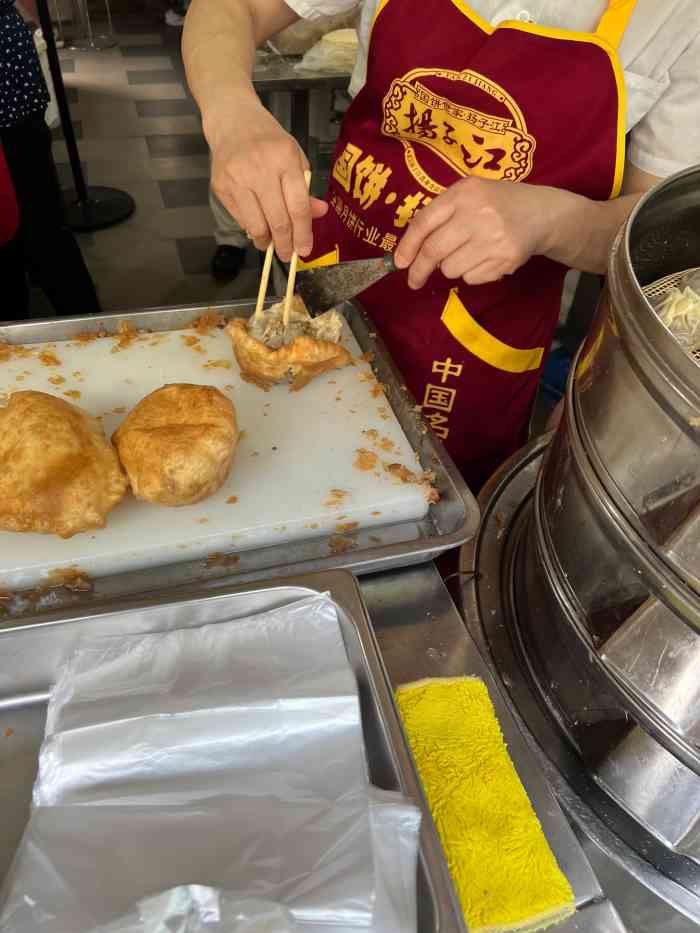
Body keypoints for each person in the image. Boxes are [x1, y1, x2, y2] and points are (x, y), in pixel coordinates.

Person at [183, 0, 700, 491]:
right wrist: (233, 118)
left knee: (430, 519)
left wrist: (557, 221)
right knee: (284, 468)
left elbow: (655, 229)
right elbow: (232, 9)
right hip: (338, 291)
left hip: (477, 353)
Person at [0, 0, 101, 319]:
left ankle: (86, 329)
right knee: (36, 231)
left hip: (10, 99)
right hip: (13, 92)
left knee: (40, 228)